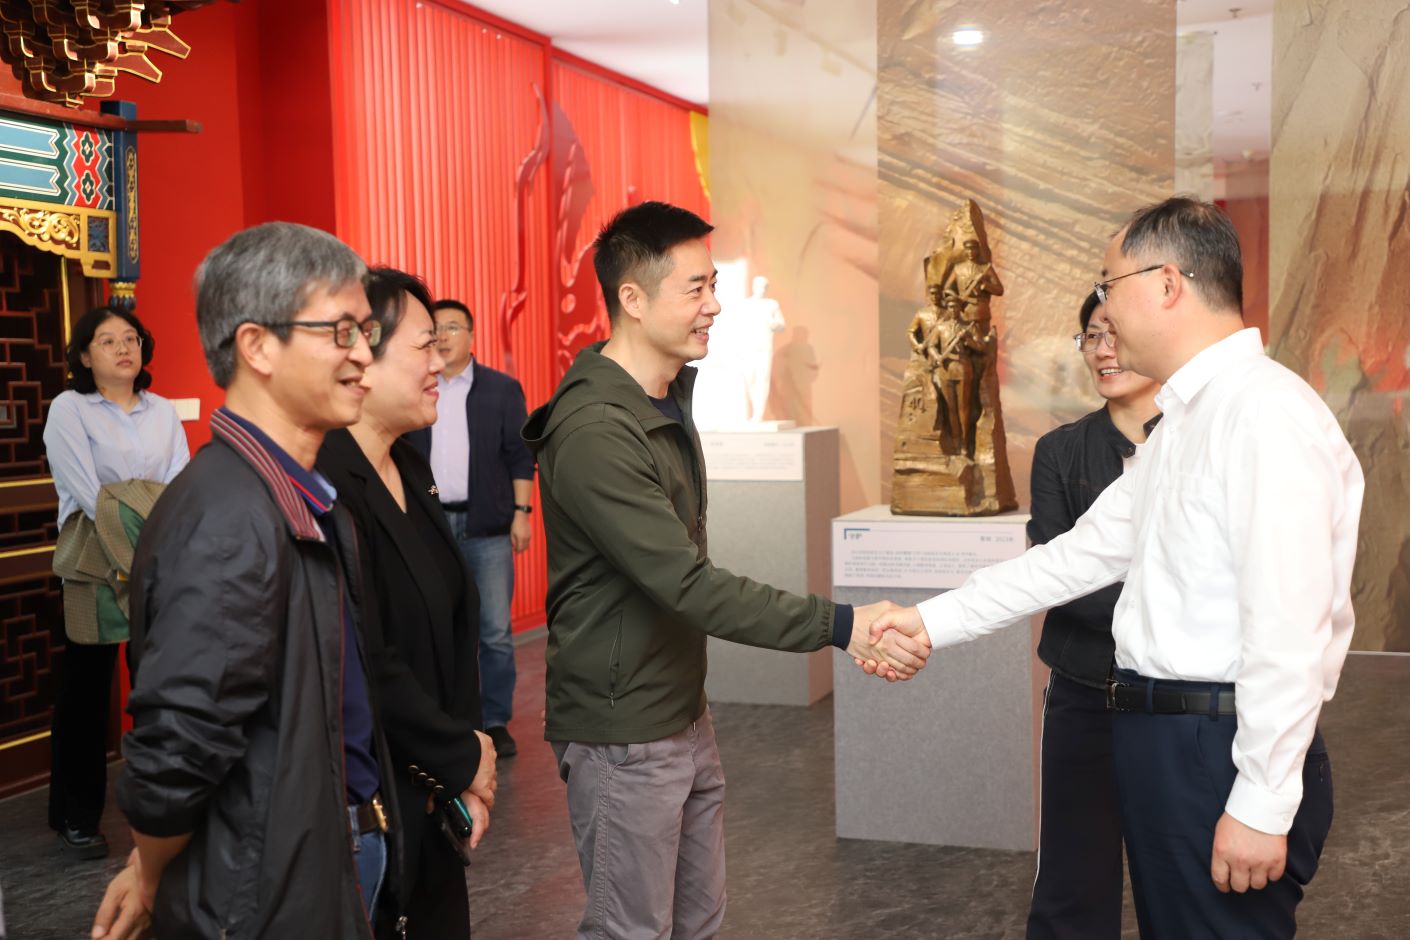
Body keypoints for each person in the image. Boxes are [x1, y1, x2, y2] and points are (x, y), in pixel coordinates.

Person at [867, 197, 1364, 939]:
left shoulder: (1263, 414)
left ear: (1166, 283)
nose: (1103, 307)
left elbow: (1289, 629)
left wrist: (1262, 803)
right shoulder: (1189, 419)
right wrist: (928, 620)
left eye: (1110, 283)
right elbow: (1076, 556)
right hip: (1168, 739)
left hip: (1216, 748)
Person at [521, 200, 928, 939]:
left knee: (699, 922)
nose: (714, 306)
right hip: (624, 731)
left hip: (679, 710)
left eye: (714, 286)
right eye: (696, 288)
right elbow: (688, 584)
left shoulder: (661, 399)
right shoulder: (596, 429)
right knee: (631, 931)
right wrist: (842, 625)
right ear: (632, 298)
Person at [92, 222, 403, 939]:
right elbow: (176, 752)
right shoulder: (230, 516)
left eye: (366, 332)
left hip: (323, 850)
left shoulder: (296, 495)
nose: (364, 353)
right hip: (266, 889)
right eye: (342, 331)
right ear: (257, 346)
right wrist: (149, 872)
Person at [318, 268, 498, 938]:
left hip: (434, 793)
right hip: (373, 801)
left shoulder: (412, 468)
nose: (440, 362)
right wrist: (461, 756)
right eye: (425, 346)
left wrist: (465, 765)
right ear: (362, 355)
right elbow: (365, 653)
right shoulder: (327, 483)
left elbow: (452, 627)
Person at [1024, 291, 1160, 939]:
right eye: (1091, 337)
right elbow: (1058, 574)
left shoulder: (1200, 442)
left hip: (1173, 699)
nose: (1104, 350)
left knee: (1180, 877)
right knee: (1072, 882)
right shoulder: (1060, 451)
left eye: (1116, 334)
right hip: (1083, 689)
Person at [43, 306, 189, 859]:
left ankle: (165, 807)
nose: (124, 348)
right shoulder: (69, 409)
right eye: (108, 341)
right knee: (86, 694)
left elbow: (179, 486)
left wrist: (149, 542)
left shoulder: (163, 411)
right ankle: (76, 816)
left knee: (159, 685)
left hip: (156, 558)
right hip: (94, 561)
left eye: (131, 338)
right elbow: (89, 494)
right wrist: (138, 525)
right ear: (84, 355)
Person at [406, 298, 535, 758]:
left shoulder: (501, 389)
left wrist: (522, 513)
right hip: (431, 525)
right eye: (435, 328)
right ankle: (449, 720)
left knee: (494, 630)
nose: (442, 336)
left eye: (452, 327)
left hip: (487, 527)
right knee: (437, 625)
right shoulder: (417, 387)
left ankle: (495, 720)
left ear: (472, 336)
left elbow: (520, 456)